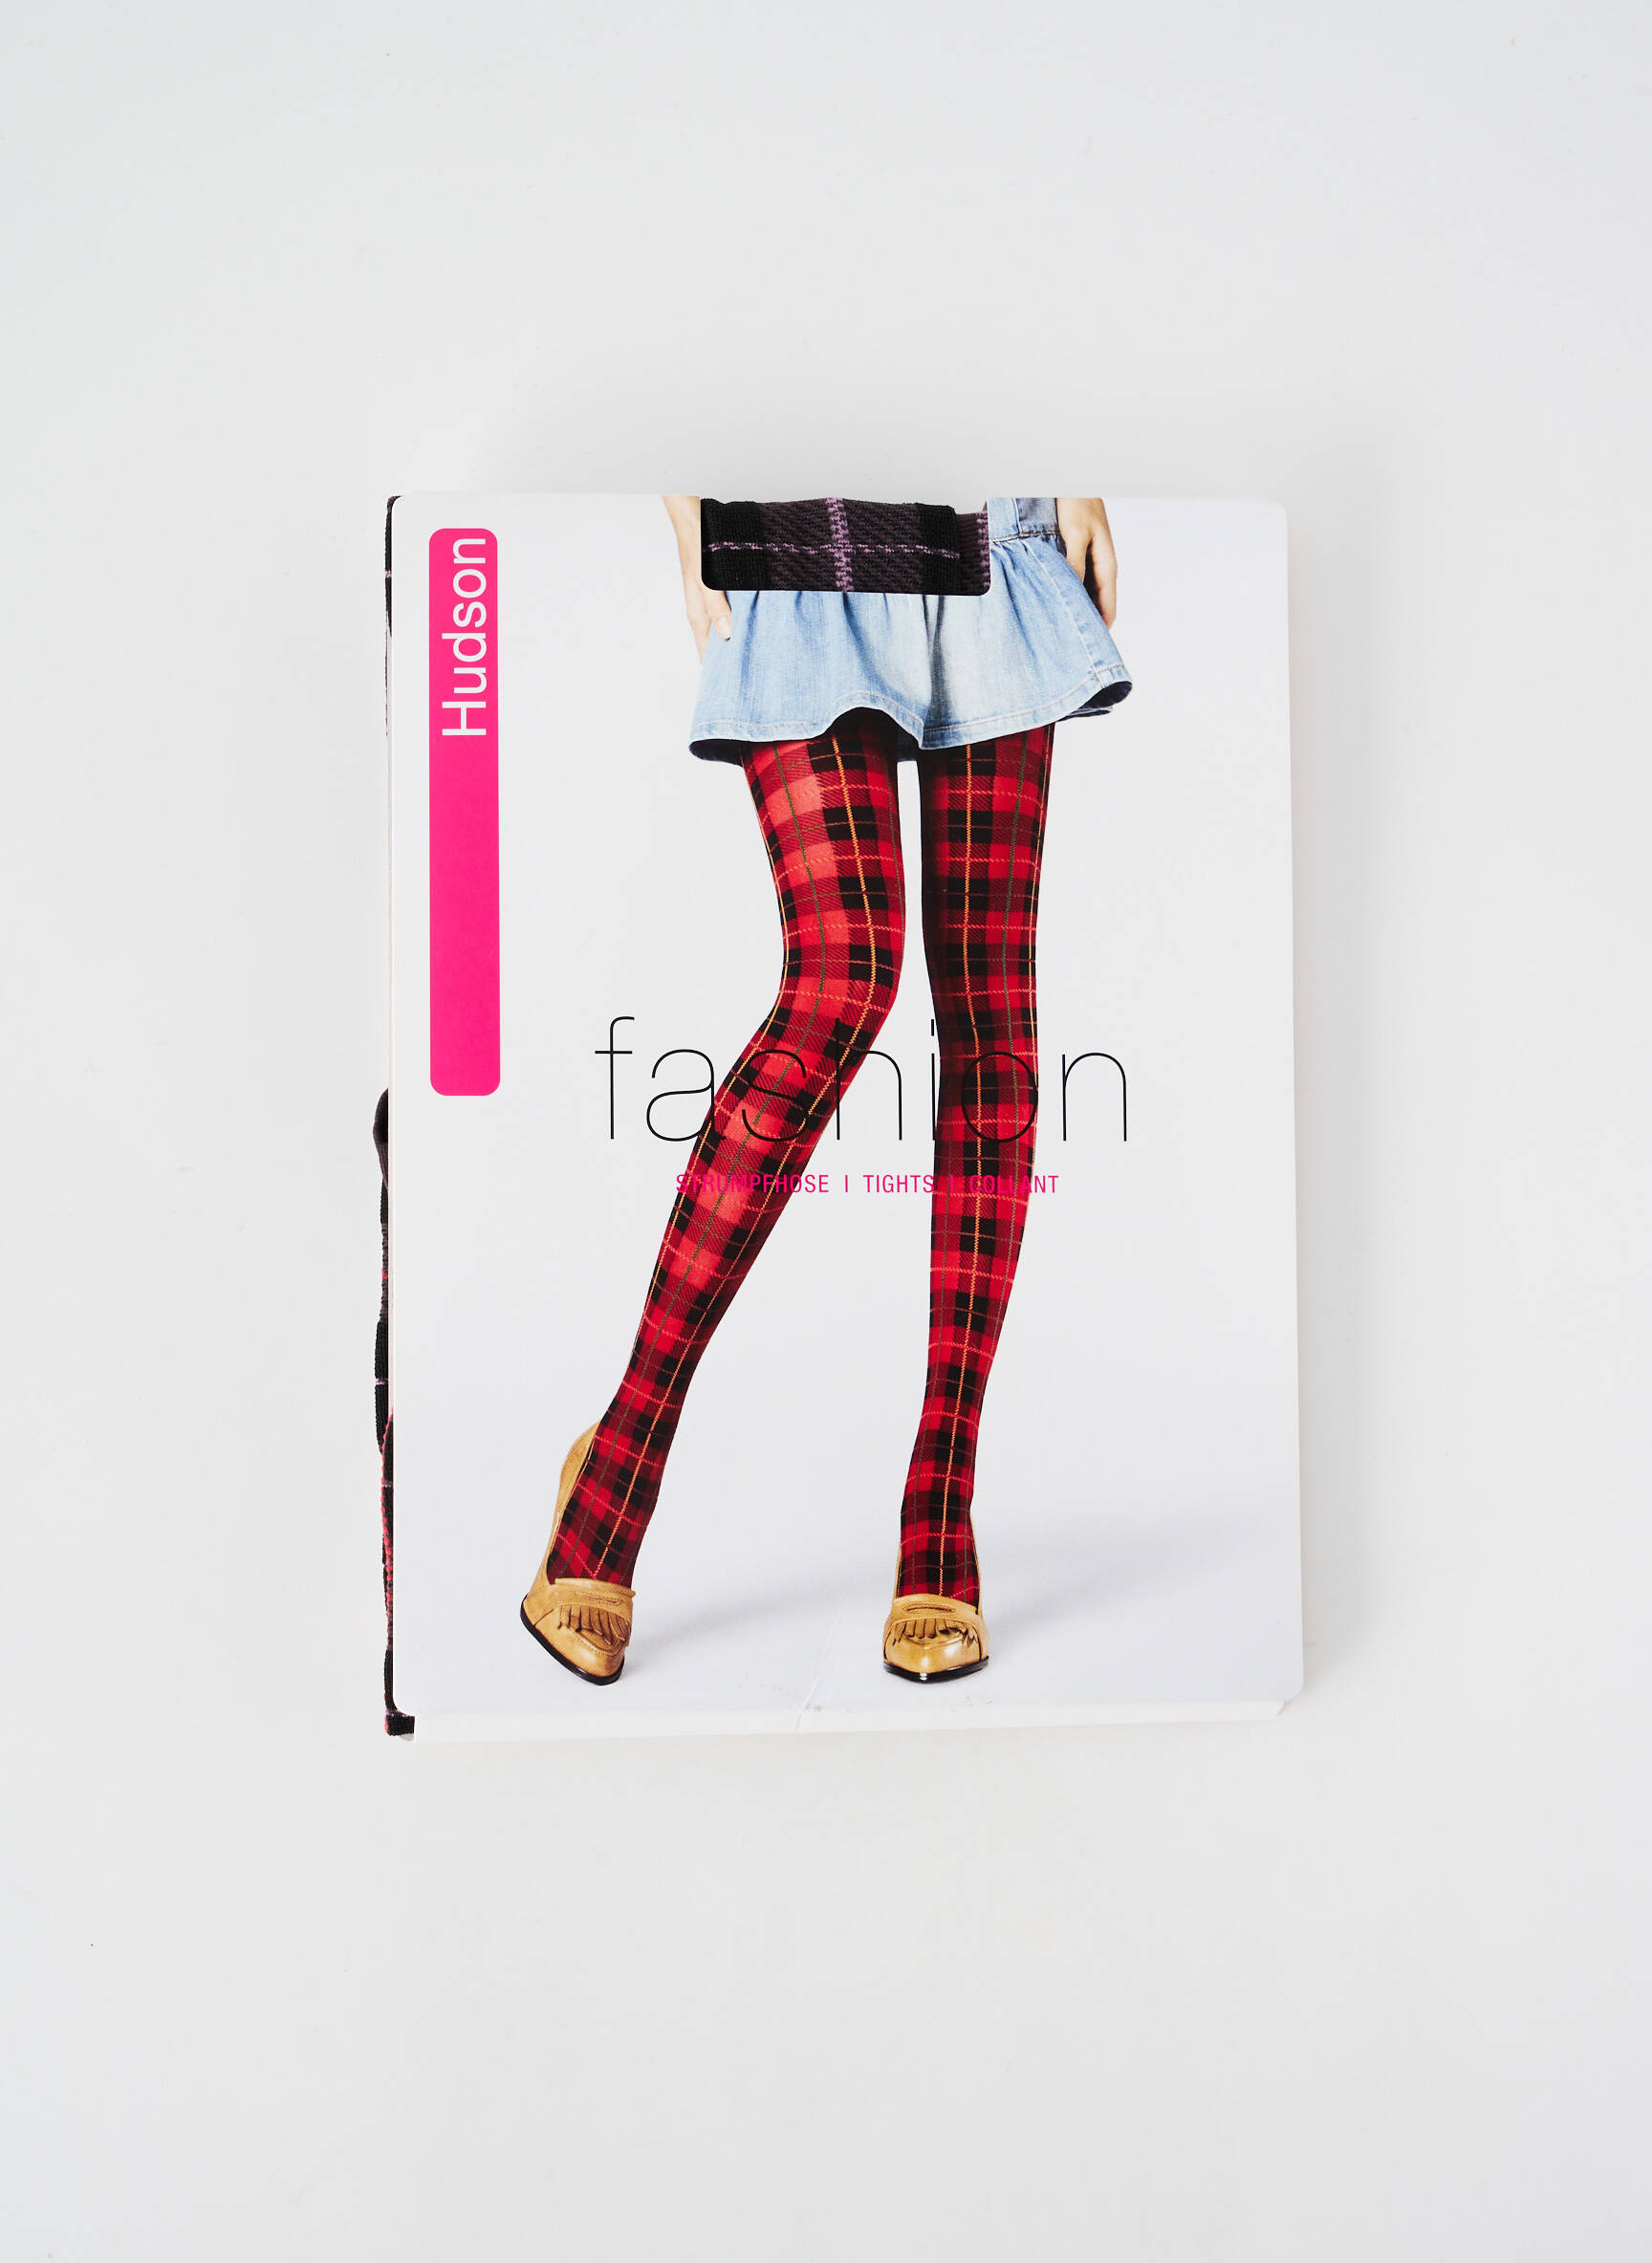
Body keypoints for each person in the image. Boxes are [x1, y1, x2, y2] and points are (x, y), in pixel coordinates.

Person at [520, 495, 1132, 1686]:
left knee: (990, 1017)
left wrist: (1080, 472)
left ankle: (941, 1494)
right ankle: (623, 1450)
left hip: (992, 538)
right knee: (842, 978)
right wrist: (685, 503)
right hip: (805, 527)